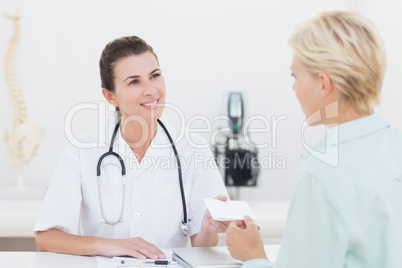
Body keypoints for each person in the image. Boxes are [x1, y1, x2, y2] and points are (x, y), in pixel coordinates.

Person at [226, 10, 402, 267]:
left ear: (323, 84)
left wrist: (254, 256)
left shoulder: (324, 173)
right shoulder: (395, 147)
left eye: (295, 76)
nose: (294, 88)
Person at [34, 36, 230, 259]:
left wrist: (206, 227)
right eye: (134, 82)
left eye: (154, 76)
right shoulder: (81, 152)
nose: (150, 90)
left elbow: (203, 245)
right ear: (110, 96)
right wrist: (110, 245)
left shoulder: (194, 149)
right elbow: (46, 238)